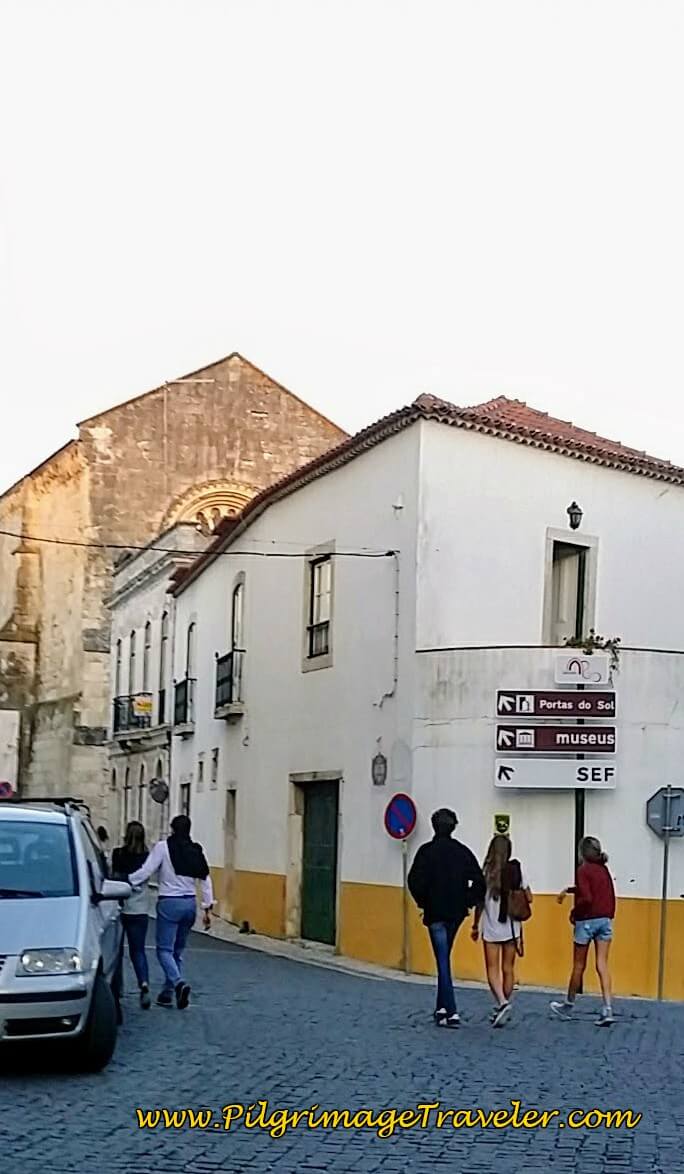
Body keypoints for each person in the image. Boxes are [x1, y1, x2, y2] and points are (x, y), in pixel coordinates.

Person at [408, 808, 486, 1028]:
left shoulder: (426, 851)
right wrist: (467, 900)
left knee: (442, 960)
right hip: (456, 913)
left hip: (435, 914)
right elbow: (479, 882)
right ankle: (441, 1008)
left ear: (434, 826)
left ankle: (451, 1011)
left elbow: (414, 880)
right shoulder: (462, 852)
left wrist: (423, 901)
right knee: (443, 957)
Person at [127, 815, 214, 1009]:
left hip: (169, 903)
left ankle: (178, 983)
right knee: (178, 950)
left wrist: (127, 880)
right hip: (189, 904)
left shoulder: (163, 847)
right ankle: (167, 993)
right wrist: (207, 907)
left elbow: (146, 870)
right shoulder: (195, 850)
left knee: (164, 950)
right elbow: (206, 879)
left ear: (172, 829)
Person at [550, 835, 616, 1026]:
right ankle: (607, 1008)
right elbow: (599, 892)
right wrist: (570, 890)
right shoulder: (603, 870)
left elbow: (587, 897)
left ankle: (568, 1005)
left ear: (582, 852)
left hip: (587, 920)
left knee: (579, 965)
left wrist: (574, 913)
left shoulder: (583, 870)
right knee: (602, 964)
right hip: (605, 919)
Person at [471, 834, 533, 1028]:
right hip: (512, 927)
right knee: (508, 969)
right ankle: (503, 1005)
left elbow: (479, 903)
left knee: (492, 968)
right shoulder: (516, 870)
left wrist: (475, 925)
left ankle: (502, 1003)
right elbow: (529, 898)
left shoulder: (485, 872)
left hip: (491, 927)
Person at [112, 821, 152, 1010]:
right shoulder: (147, 857)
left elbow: (112, 876)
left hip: (120, 907)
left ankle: (117, 990)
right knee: (138, 951)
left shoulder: (118, 854)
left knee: (117, 952)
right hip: (140, 909)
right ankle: (143, 983)